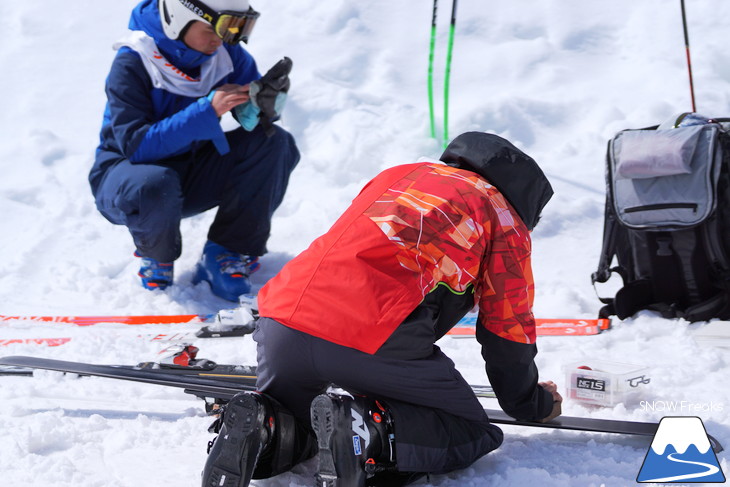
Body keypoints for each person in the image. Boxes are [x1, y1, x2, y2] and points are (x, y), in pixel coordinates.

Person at [200, 132, 562, 487]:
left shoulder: (402, 175)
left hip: (282, 317)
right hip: (370, 335)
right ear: (526, 201)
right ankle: (368, 431)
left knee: (299, 421)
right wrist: (531, 402)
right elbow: (507, 328)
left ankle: (263, 428)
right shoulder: (503, 216)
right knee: (470, 430)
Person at [90, 0, 299, 301]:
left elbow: (250, 119)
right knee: (155, 182)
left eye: (235, 29)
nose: (223, 38)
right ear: (179, 19)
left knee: (274, 143)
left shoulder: (226, 55)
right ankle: (157, 256)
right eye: (215, 29)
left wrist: (263, 105)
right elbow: (136, 146)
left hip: (189, 172)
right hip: (126, 180)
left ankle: (226, 252)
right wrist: (207, 110)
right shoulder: (134, 62)